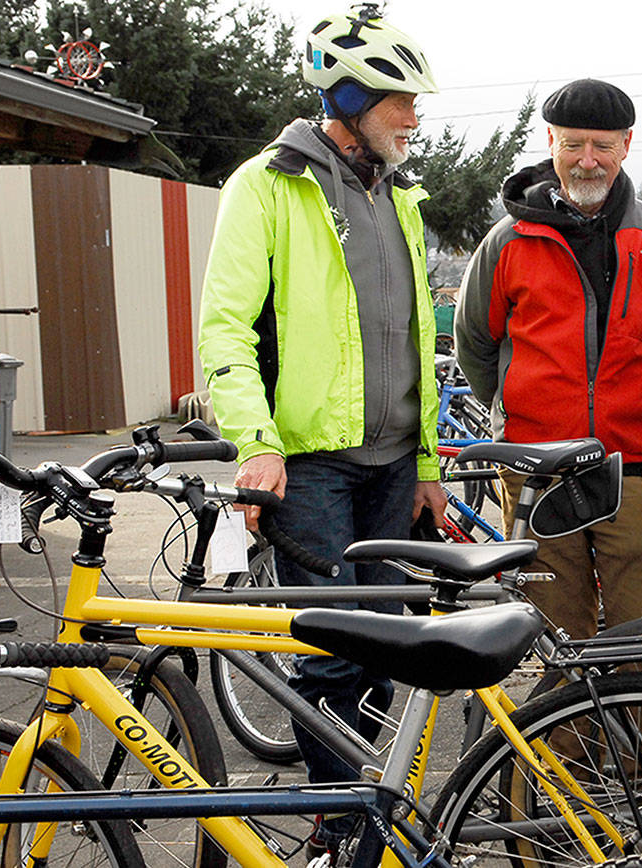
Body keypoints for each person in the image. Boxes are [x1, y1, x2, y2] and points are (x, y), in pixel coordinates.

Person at [196, 4, 446, 854]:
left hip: (389, 466)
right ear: (346, 96)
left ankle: (362, 805)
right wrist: (256, 442)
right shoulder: (265, 185)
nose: (415, 119)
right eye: (399, 102)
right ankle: (340, 826)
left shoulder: (401, 199)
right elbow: (226, 327)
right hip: (309, 464)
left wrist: (426, 460)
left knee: (383, 652)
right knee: (333, 655)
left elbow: (417, 338)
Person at [455, 78, 642, 639]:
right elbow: (474, 340)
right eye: (572, 145)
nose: (587, 161)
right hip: (537, 473)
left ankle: (641, 734)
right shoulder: (508, 241)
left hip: (638, 470)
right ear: (550, 141)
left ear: (626, 145)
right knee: (554, 645)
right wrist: (516, 405)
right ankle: (560, 733)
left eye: (602, 146)